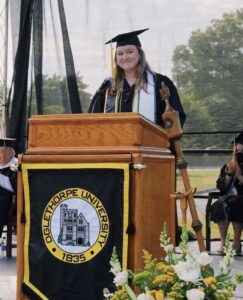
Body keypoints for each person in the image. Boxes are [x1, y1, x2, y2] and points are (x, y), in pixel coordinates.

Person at [88, 28, 186, 128]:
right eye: (120, 53)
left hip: (152, 142)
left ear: (140, 54)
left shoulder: (160, 83)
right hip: (117, 142)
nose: (125, 57)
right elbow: (92, 118)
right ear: (116, 59)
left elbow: (176, 118)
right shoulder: (108, 86)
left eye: (130, 52)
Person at [211, 132, 243, 255]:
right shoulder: (227, 166)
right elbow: (221, 187)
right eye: (237, 147)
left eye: (241, 147)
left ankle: (236, 242)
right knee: (220, 205)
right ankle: (223, 242)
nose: (238, 149)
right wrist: (229, 174)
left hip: (241, 200)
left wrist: (239, 176)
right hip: (227, 199)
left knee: (236, 204)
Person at [0, 138, 17, 238]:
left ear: (10, 153)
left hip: (8, 203)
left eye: (1, 152)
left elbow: (15, 186)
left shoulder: (15, 165)